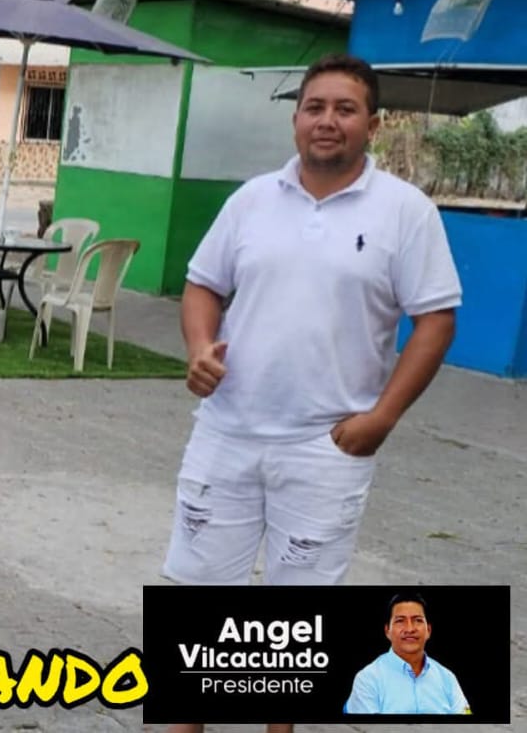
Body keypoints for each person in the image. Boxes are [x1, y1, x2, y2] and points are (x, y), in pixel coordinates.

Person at [162, 52, 462, 733]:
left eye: (344, 109)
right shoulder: (251, 200)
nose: (327, 120)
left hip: (325, 447)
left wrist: (382, 417)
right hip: (226, 434)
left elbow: (436, 319)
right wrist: (199, 346)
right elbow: (203, 283)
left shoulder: (405, 212)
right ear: (296, 118)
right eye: (314, 107)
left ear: (372, 125)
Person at [345, 593, 470, 714]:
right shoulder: (367, 679)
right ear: (387, 631)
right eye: (400, 621)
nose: (410, 629)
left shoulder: (447, 678)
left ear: (428, 630)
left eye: (418, 620)